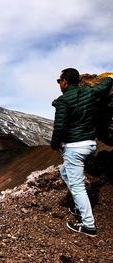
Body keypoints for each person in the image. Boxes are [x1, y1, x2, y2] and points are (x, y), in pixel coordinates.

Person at [51, 68, 113, 237]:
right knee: (64, 172)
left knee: (77, 186)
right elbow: (105, 85)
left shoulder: (63, 101)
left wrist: (54, 144)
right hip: (90, 144)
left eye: (59, 81)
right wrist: (109, 77)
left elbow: (60, 127)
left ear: (64, 82)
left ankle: (88, 225)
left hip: (74, 147)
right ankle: (79, 205)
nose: (59, 84)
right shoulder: (90, 92)